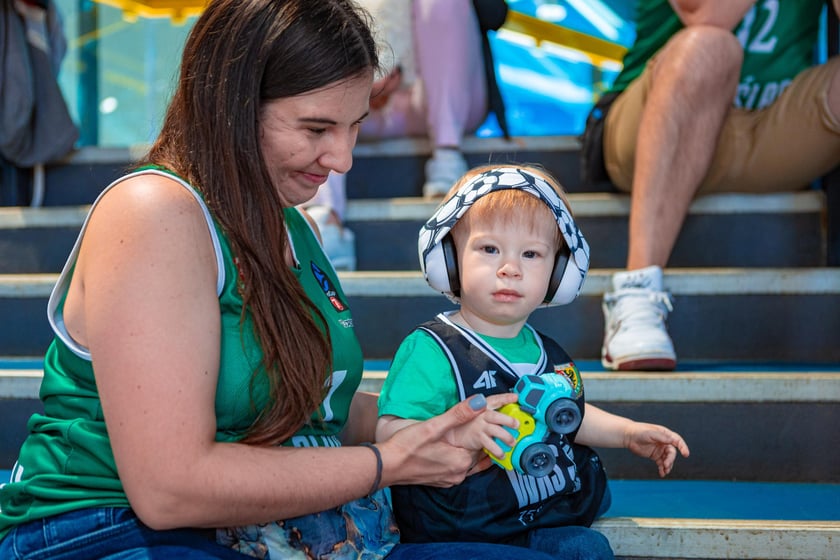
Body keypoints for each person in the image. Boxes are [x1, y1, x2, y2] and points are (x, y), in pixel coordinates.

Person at [0, 2, 580, 559]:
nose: (343, 158)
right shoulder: (154, 211)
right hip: (105, 530)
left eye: (355, 126)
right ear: (229, 104)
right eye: (316, 128)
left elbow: (317, 405)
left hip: (268, 529)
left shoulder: (295, 225)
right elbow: (170, 488)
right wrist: (390, 461)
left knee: (578, 548)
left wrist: (441, 417)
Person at [376, 164, 691, 558]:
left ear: (558, 274)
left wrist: (628, 433)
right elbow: (388, 435)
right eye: (489, 249)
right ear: (450, 259)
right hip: (458, 530)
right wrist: (461, 433)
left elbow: (570, 415)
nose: (511, 268)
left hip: (536, 514)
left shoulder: (547, 352)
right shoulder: (432, 349)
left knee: (590, 548)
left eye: (532, 254)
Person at [580, 0, 840, 371]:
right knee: (709, 46)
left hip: (769, 132)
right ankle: (636, 295)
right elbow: (704, 13)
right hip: (655, 133)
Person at [303, 0, 502, 270]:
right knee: (312, 17)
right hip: (358, 104)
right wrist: (363, 80)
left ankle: (446, 156)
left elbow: (496, 13)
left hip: (438, 101)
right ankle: (324, 218)